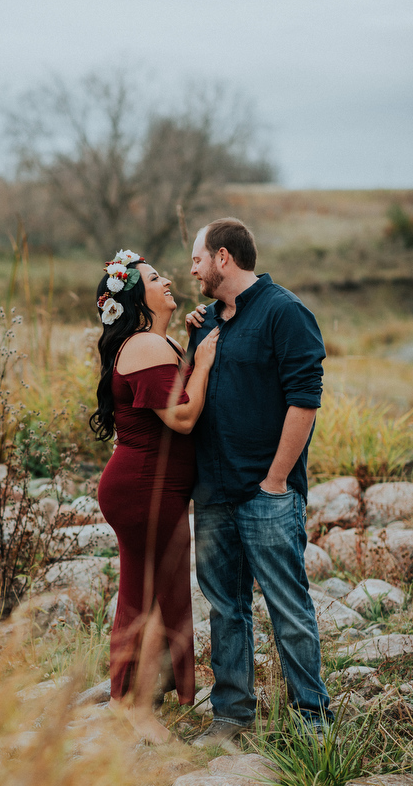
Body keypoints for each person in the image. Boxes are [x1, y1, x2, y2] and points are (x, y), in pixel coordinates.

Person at [185, 218, 332, 747]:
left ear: (224, 257)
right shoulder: (206, 322)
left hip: (265, 493)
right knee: (226, 607)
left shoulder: (285, 312)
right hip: (214, 493)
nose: (193, 268)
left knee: (287, 605)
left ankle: (313, 720)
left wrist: (275, 481)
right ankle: (231, 716)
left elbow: (305, 400)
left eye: (198, 258)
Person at [90, 249, 219, 744]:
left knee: (142, 597)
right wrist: (204, 360)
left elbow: (172, 391)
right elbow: (182, 417)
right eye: (154, 277)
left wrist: (189, 344)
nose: (167, 281)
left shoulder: (155, 342)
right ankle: (136, 710)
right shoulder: (144, 345)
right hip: (145, 487)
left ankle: (130, 702)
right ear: (134, 296)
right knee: (154, 602)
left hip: (149, 486)